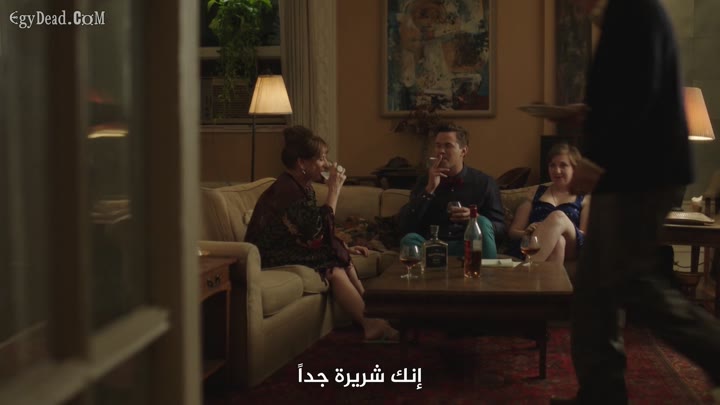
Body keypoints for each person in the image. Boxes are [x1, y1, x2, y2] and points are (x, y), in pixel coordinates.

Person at [552, 0, 720, 403]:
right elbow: (627, 92)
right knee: (595, 292)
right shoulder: (625, 13)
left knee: (630, 281)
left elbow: (639, 95)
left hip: (640, 174)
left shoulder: (634, 9)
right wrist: (589, 114)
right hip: (629, 174)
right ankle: (601, 394)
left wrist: (596, 159)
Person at [244, 126, 399, 342]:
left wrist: (344, 246)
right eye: (321, 158)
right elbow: (316, 232)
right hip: (267, 255)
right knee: (332, 260)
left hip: (288, 247)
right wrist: (333, 191)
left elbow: (314, 231)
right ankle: (371, 321)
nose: (326, 164)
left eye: (326, 157)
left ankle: (372, 316)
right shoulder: (286, 190)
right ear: (302, 163)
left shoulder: (303, 186)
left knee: (335, 250)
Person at [398, 123, 506, 258]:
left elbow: (500, 229)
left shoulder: (484, 182)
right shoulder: (425, 181)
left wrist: (474, 218)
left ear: (463, 151)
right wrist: (429, 190)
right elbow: (405, 226)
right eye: (438, 146)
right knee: (409, 240)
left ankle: (487, 271)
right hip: (433, 247)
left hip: (469, 246)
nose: (441, 151)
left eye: (448, 146)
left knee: (482, 222)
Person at [508, 143, 590, 265]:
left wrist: (557, 227)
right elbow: (513, 232)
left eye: (563, 165)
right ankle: (541, 277)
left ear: (575, 169)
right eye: (552, 165)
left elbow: (586, 235)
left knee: (558, 216)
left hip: (573, 245)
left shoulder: (584, 197)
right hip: (537, 242)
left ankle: (527, 269)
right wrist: (527, 232)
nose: (557, 171)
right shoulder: (535, 194)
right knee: (558, 242)